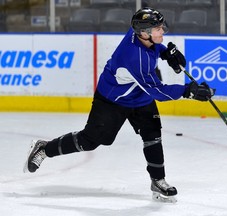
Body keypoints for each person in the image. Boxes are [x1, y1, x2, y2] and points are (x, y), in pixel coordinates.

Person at [23, 7, 215, 202]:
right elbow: (158, 91)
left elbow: (153, 52)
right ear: (144, 33)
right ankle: (44, 148)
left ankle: (158, 180)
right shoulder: (133, 57)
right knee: (90, 141)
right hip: (113, 100)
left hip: (139, 94)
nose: (162, 31)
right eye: (158, 29)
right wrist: (188, 91)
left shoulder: (139, 35)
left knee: (153, 133)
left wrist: (166, 53)